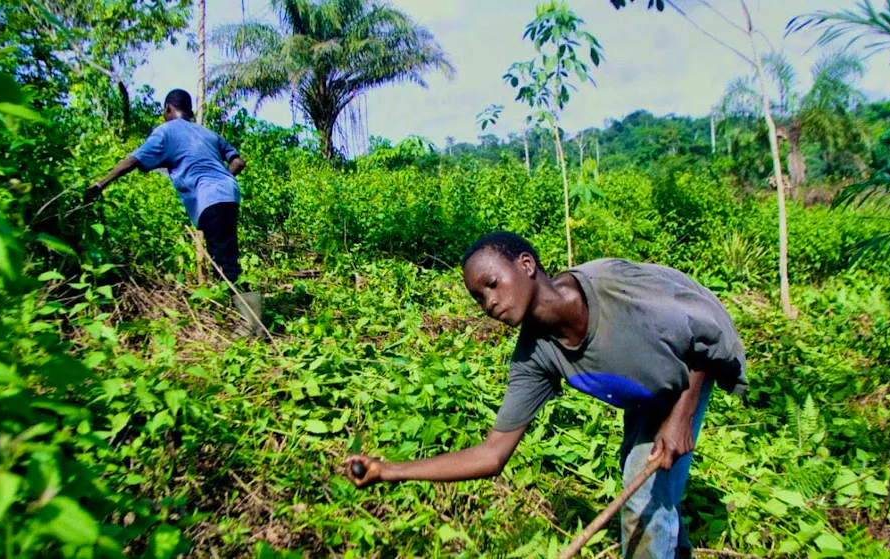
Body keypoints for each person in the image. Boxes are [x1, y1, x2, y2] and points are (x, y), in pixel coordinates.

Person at [344, 231, 747, 559]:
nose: (489, 303)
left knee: (643, 494)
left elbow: (707, 335)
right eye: (478, 297)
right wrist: (390, 470)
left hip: (690, 367)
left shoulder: (613, 289)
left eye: (492, 284)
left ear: (526, 264)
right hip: (645, 391)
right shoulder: (535, 357)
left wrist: (682, 415)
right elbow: (492, 455)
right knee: (650, 481)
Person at [84, 89, 263, 337]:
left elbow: (134, 160)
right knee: (223, 255)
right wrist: (221, 179)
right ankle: (239, 317)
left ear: (168, 109)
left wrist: (100, 184)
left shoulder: (166, 131)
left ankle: (252, 326)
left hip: (210, 197)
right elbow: (238, 162)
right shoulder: (208, 133)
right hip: (228, 193)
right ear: (188, 110)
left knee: (224, 261)